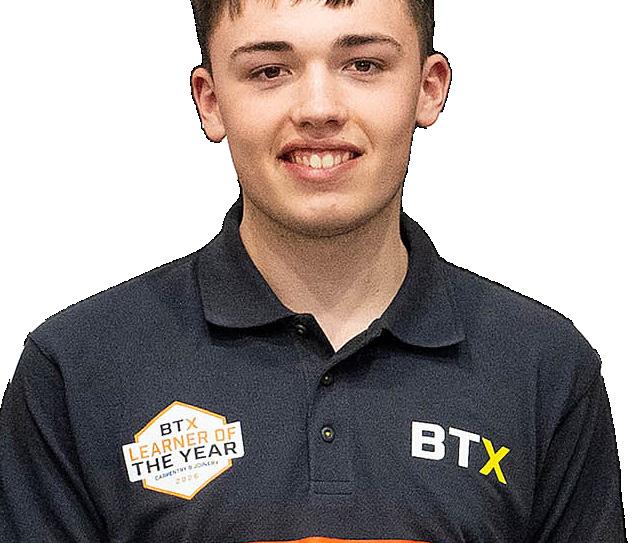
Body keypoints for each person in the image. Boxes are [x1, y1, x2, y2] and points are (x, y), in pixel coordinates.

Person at [0, 0, 626, 541]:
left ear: (429, 87)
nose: (319, 108)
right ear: (211, 102)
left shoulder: (544, 367)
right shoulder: (78, 369)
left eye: (364, 65)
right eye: (269, 71)